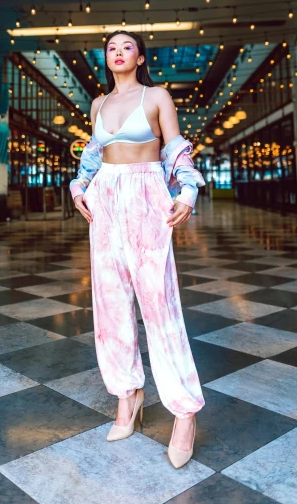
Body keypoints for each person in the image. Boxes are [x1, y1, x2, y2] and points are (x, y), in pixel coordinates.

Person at [70, 30, 205, 469]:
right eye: (111, 47)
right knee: (110, 306)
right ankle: (127, 397)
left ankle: (184, 413)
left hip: (147, 195)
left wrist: (187, 190)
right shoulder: (98, 104)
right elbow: (93, 156)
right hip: (106, 198)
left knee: (159, 303)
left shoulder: (157, 96)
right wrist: (78, 187)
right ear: (106, 59)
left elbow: (174, 149)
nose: (118, 52)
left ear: (140, 56)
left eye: (127, 46)